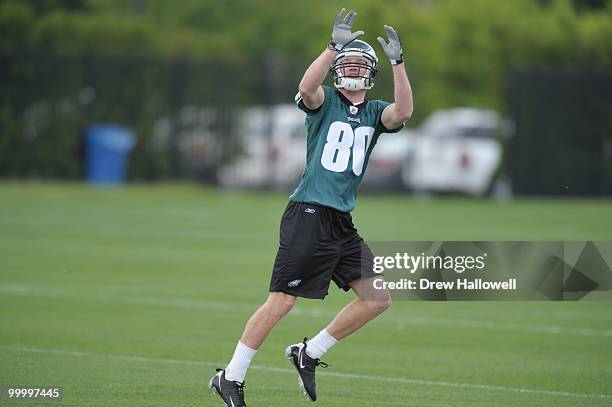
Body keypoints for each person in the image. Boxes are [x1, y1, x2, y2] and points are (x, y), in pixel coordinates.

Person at [209, 7, 413, 406]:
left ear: (370, 73)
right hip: (308, 212)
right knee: (282, 301)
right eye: (347, 63)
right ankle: (230, 377)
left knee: (377, 299)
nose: (353, 70)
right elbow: (306, 88)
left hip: (340, 221)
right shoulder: (325, 104)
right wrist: (332, 47)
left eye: (360, 64)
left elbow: (403, 111)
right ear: (338, 69)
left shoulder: (373, 112)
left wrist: (398, 63)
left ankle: (309, 353)